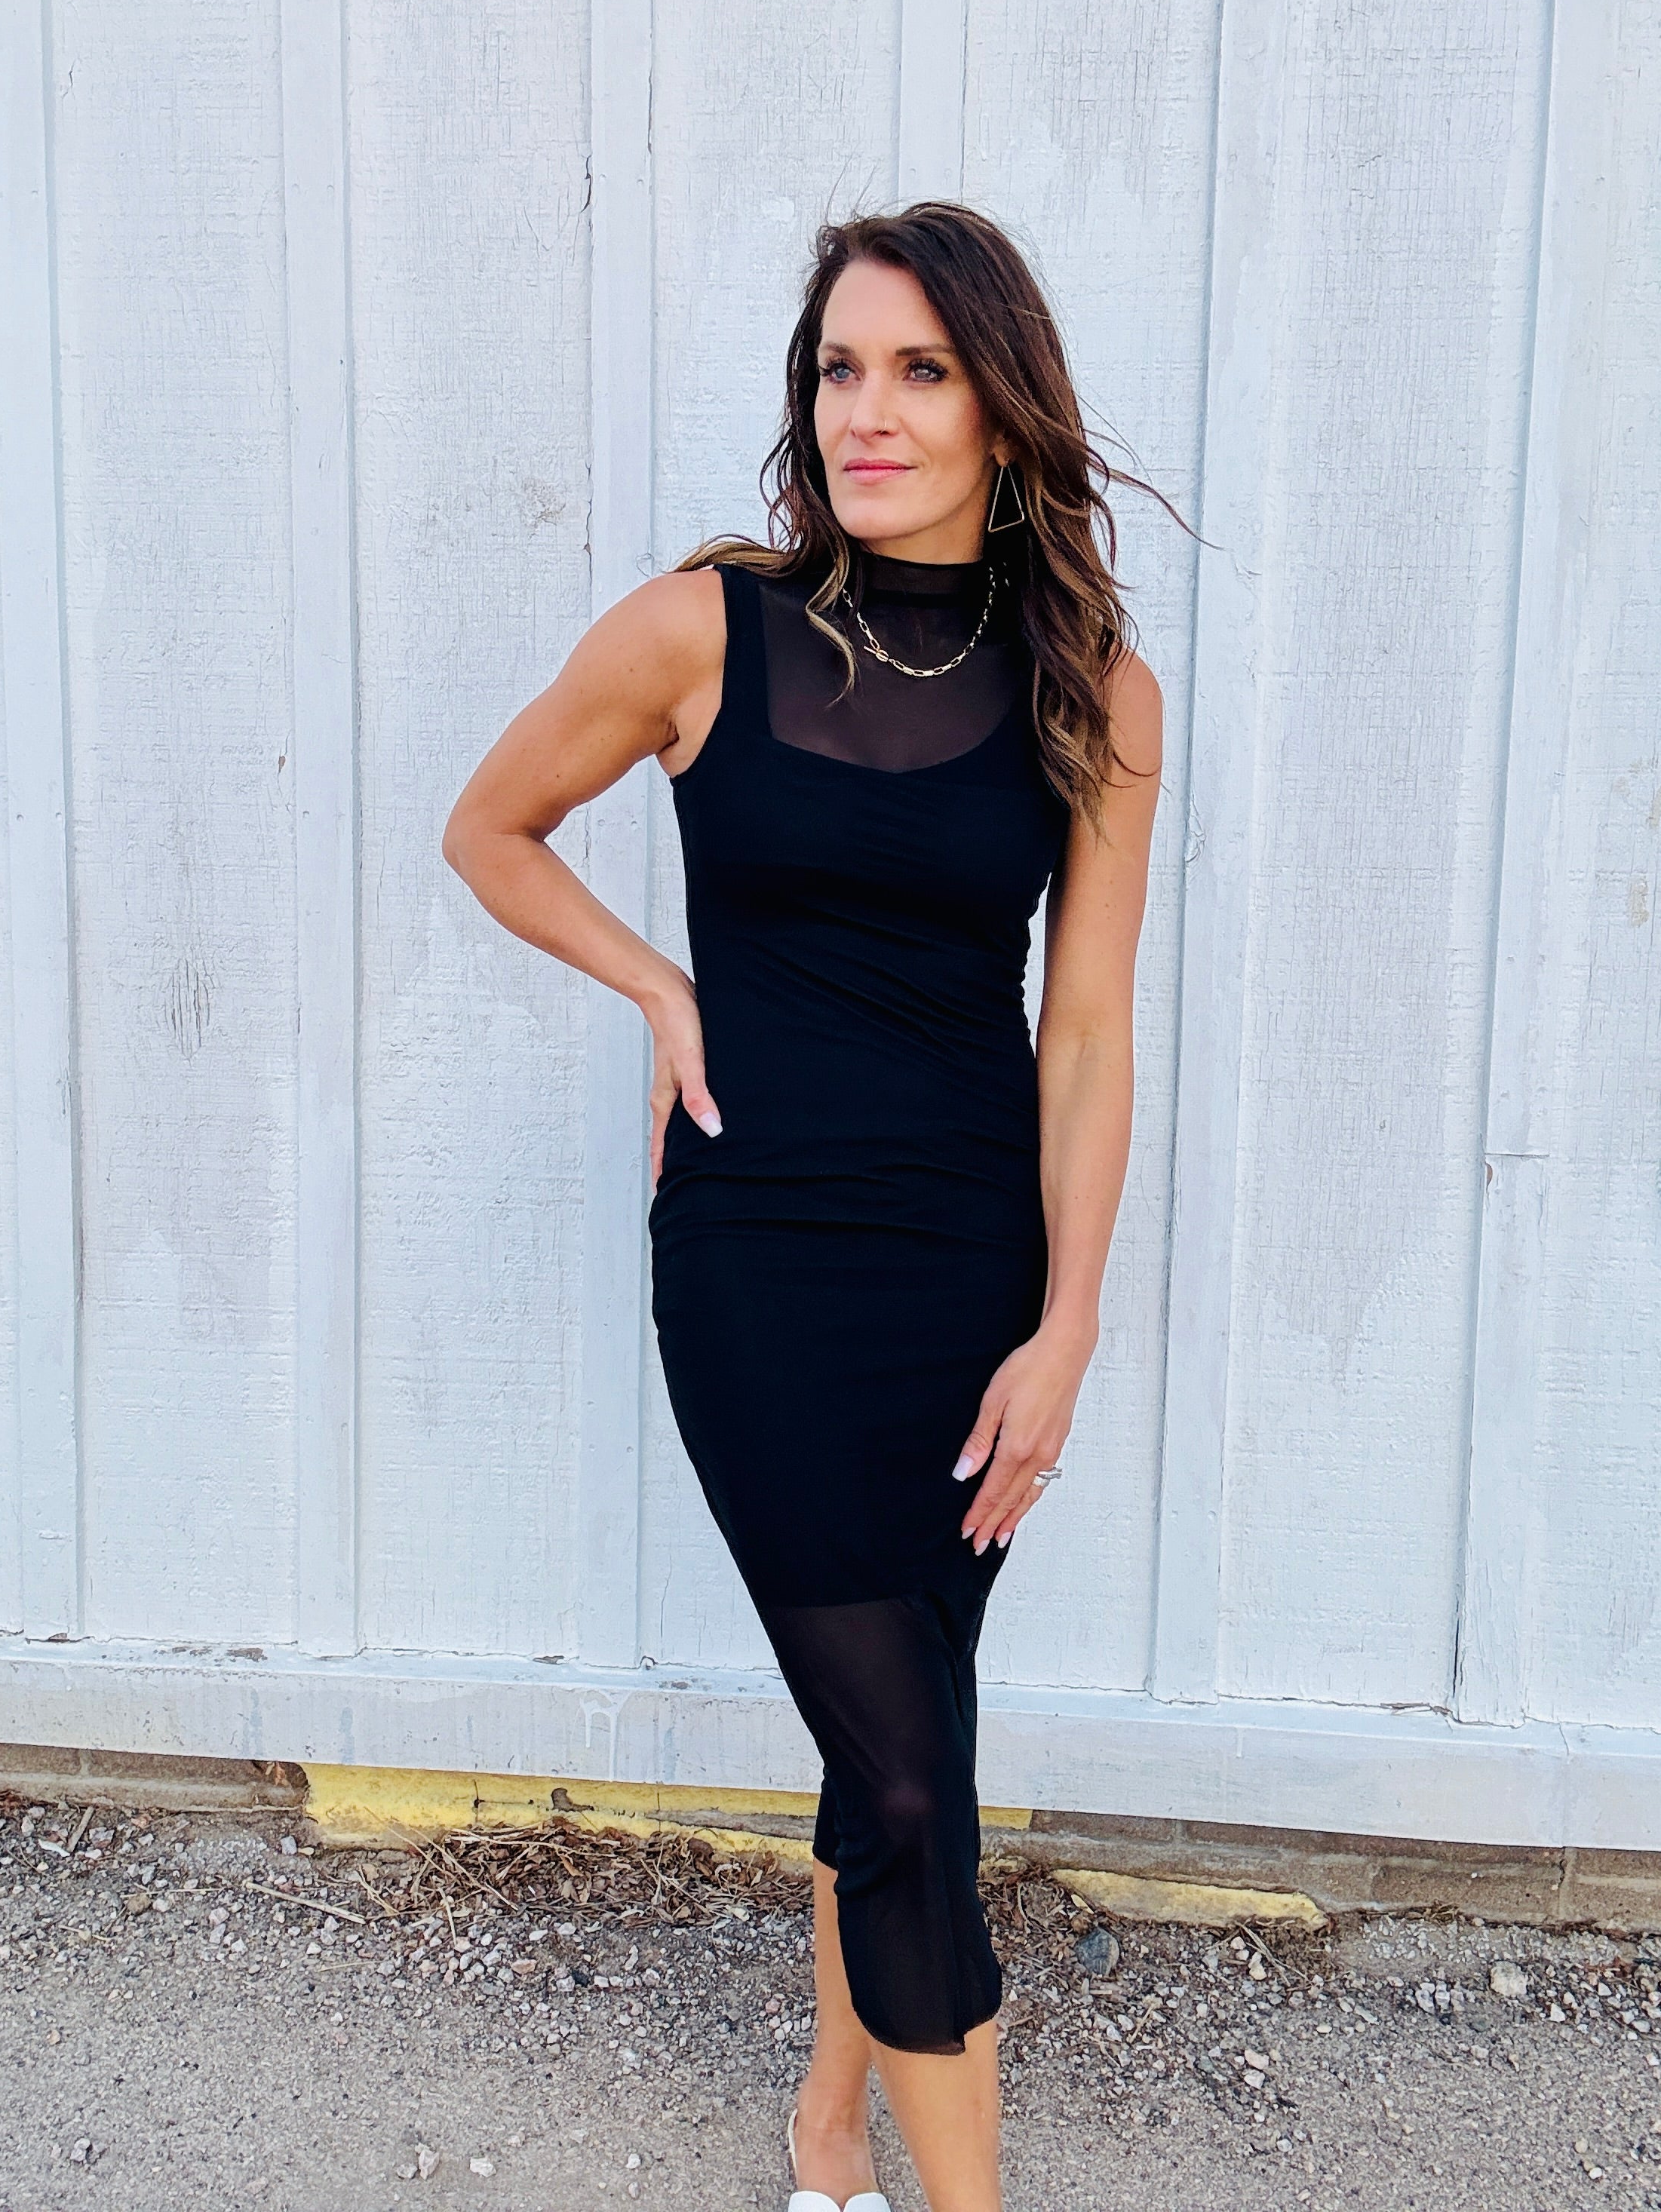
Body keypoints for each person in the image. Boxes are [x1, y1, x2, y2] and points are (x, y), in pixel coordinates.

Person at [443, 201, 1165, 2212]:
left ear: (1003, 409)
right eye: (841, 367)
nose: (870, 410)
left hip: (970, 1273)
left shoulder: (1092, 687)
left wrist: (1068, 1327)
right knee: (912, 1774)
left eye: (921, 370)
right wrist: (658, 986)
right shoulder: (704, 629)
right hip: (758, 1259)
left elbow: (1086, 1037)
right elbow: (491, 828)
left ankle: (832, 2131)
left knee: (894, 1747)